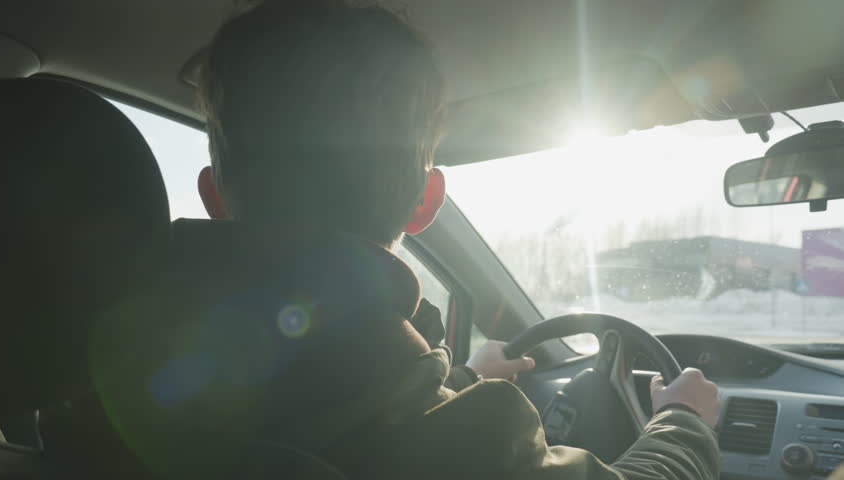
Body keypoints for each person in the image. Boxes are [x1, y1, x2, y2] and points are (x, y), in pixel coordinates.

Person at [194, 1, 721, 478]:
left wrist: (462, 379)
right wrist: (684, 421)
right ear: (426, 201)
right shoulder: (487, 438)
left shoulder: (148, 363)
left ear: (213, 196)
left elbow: (361, 417)